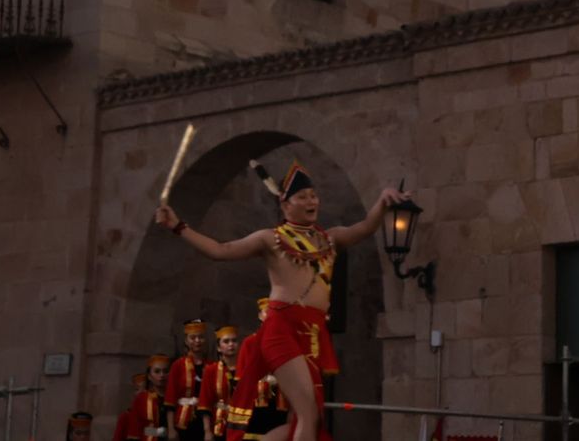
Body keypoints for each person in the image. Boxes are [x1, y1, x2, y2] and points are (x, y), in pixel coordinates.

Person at [155, 163, 408, 441]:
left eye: (313, 195)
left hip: (312, 333)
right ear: (285, 205)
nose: (311, 201)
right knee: (308, 411)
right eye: (302, 197)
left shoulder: (330, 238)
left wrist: (383, 201)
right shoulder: (271, 239)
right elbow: (220, 250)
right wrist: (178, 227)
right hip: (282, 329)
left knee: (306, 416)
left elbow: (364, 227)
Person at [226, 299, 287, 441]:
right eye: (267, 313)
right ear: (260, 315)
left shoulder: (284, 343)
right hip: (256, 402)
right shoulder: (250, 342)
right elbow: (242, 379)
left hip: (280, 401)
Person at [166, 320, 210, 441]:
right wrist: (171, 429)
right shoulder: (178, 365)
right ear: (186, 340)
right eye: (193, 337)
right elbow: (170, 399)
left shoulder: (212, 366)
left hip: (207, 421)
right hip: (182, 420)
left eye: (200, 337)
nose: (197, 341)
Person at [200, 325, 241, 441]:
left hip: (242, 423)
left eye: (234, 341)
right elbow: (205, 403)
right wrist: (207, 431)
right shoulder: (211, 370)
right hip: (219, 424)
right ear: (219, 347)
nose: (231, 344)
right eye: (226, 341)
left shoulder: (246, 369)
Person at [131, 357, 171, 440]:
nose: (162, 375)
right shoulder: (142, 398)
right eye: (157, 371)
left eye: (165, 371)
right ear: (149, 376)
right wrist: (162, 432)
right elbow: (137, 430)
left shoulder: (175, 397)